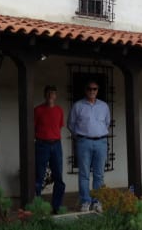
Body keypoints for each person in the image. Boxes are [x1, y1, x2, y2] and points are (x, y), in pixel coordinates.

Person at [67, 80, 111, 213]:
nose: (92, 91)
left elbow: (107, 123)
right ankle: (85, 201)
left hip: (101, 142)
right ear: (85, 90)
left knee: (99, 175)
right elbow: (71, 124)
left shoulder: (104, 106)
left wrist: (97, 133)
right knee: (84, 174)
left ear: (97, 90)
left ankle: (97, 201)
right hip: (84, 142)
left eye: (95, 89)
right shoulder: (78, 106)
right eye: (89, 89)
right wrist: (80, 137)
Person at [34, 85, 66, 213]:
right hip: (42, 145)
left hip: (56, 145)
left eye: (53, 93)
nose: (50, 96)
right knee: (39, 177)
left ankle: (56, 207)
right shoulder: (38, 110)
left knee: (58, 176)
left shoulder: (59, 110)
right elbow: (33, 128)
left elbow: (59, 126)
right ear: (44, 95)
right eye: (48, 93)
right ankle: (37, 206)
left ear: (55, 96)